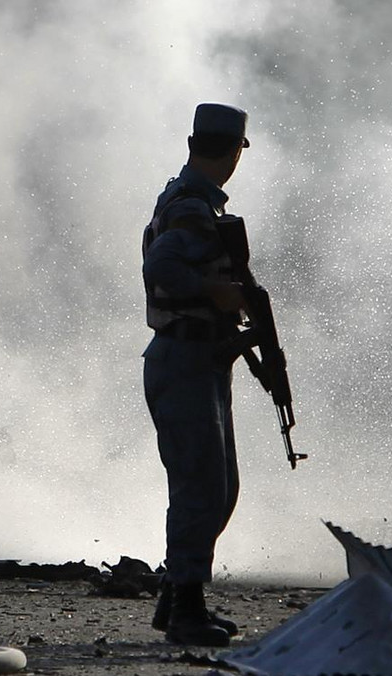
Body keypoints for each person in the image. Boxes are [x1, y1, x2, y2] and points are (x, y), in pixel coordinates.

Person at [141, 103, 254, 647]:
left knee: (219, 487)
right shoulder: (192, 207)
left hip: (196, 358)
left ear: (192, 142)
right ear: (234, 152)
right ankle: (186, 607)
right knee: (201, 488)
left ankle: (175, 595)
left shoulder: (188, 200)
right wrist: (216, 292)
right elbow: (161, 267)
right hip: (183, 360)